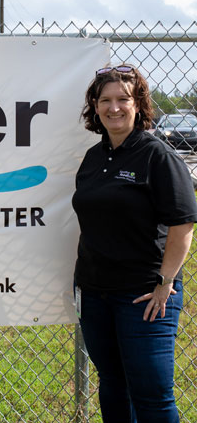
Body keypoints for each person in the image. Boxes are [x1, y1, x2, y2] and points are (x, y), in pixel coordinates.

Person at [72, 64, 197, 423]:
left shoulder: (157, 155)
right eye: (105, 100)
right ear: (95, 107)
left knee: (152, 394)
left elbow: (183, 223)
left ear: (138, 104)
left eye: (123, 99)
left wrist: (165, 282)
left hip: (143, 295)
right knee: (112, 383)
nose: (114, 108)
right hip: (95, 293)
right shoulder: (94, 157)